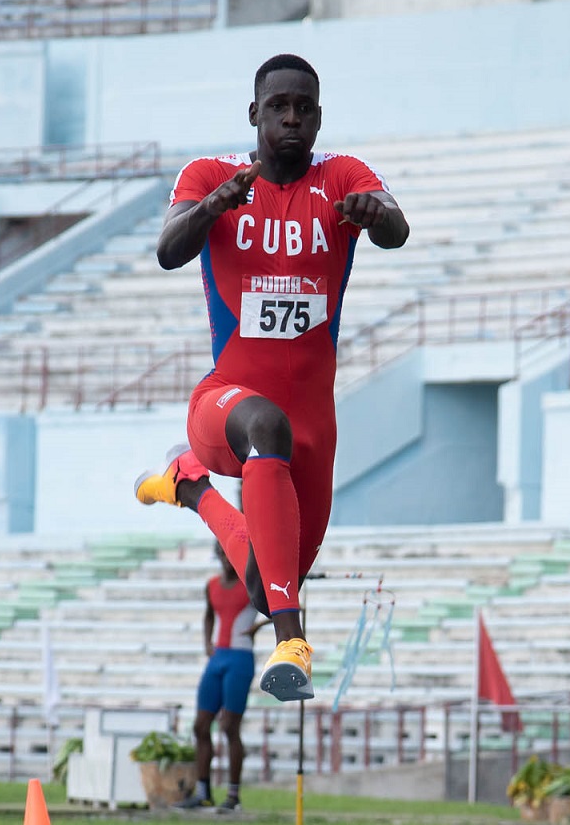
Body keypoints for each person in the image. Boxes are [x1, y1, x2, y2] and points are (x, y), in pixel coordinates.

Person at [134, 53, 410, 702]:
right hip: (225, 403)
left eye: (304, 108)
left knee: (263, 581)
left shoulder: (341, 176)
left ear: (318, 118)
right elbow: (169, 249)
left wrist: (375, 214)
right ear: (254, 114)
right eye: (278, 106)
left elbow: (396, 227)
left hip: (313, 427)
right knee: (265, 424)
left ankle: (191, 487)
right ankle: (292, 640)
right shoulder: (210, 174)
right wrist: (213, 208)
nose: (291, 117)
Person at [175, 542, 267, 812]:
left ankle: (233, 795)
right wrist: (206, 642)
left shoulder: (251, 585)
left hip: (240, 658)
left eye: (232, 554)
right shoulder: (212, 585)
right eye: (223, 554)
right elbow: (208, 616)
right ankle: (203, 792)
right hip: (218, 659)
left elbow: (281, 610)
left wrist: (257, 626)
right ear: (217, 554)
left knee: (229, 727)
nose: (227, 559)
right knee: (200, 726)